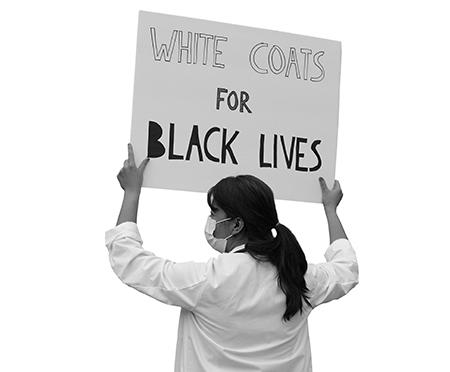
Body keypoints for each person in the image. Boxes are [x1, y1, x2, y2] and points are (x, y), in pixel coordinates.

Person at [105, 143, 359, 372]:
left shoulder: (208, 280)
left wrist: (131, 192)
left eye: (214, 212)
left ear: (236, 225)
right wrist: (330, 210)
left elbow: (129, 260)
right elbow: (347, 269)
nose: (211, 220)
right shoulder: (300, 276)